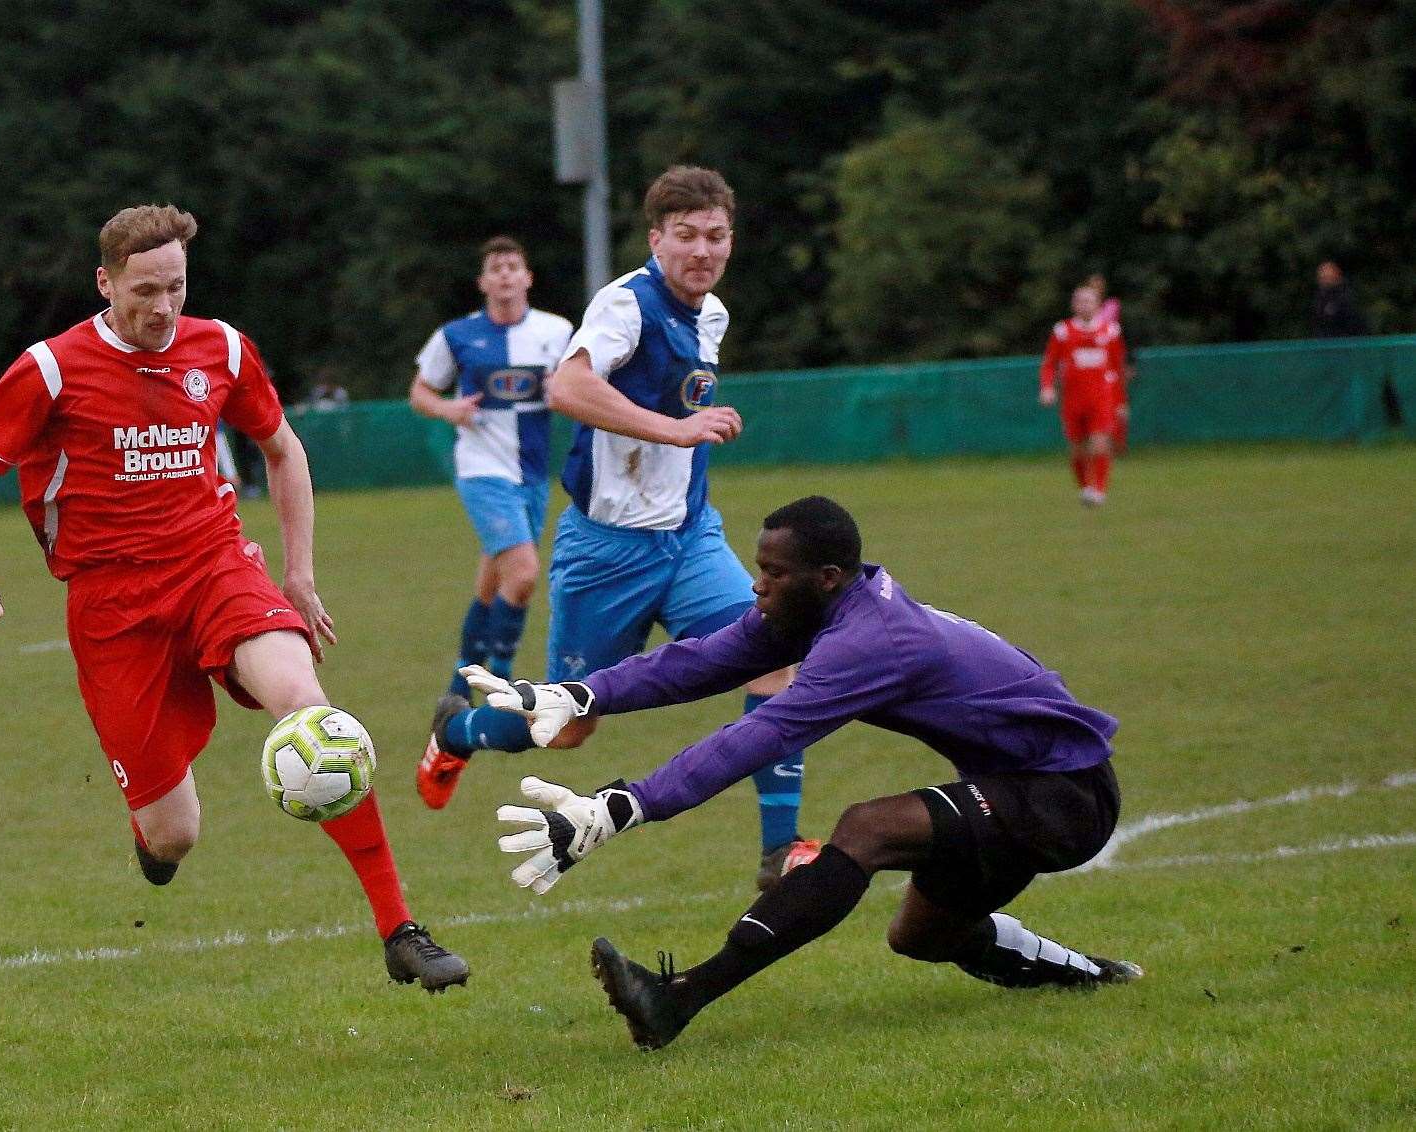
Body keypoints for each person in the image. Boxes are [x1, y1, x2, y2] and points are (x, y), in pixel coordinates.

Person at [0, 204, 467, 993]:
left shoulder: (220, 347)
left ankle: (399, 927)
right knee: (175, 833)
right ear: (105, 281)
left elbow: (282, 449)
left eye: (175, 287)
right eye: (143, 290)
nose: (161, 307)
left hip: (214, 565)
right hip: (113, 605)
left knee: (311, 710)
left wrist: (299, 573)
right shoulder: (50, 367)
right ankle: (150, 841)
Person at [469, 495, 1139, 1051]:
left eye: (773, 572)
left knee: (868, 828)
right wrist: (583, 694)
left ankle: (677, 999)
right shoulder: (817, 607)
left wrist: (623, 805)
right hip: (1015, 787)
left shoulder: (869, 641)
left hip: (1064, 796)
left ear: (825, 576)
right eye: (758, 567)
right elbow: (698, 662)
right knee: (920, 937)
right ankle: (1082, 974)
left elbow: (764, 733)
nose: (757, 584)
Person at [414, 168, 813, 889]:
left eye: (715, 236)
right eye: (685, 235)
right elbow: (566, 388)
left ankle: (778, 853)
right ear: (656, 238)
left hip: (689, 539)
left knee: (774, 654)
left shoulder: (712, 315)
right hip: (606, 552)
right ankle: (459, 730)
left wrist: (678, 443)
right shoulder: (625, 303)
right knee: (566, 729)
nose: (702, 250)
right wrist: (676, 430)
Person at [407, 236, 572, 754]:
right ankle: (498, 680)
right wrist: (448, 410)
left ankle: (458, 690)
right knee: (522, 574)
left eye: (513, 267)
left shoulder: (556, 332)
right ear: (483, 283)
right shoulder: (457, 336)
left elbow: (579, 384)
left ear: (527, 278)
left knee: (491, 583)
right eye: (495, 268)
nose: (504, 275)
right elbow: (420, 391)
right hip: (482, 469)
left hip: (532, 472)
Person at [1039, 285, 1127, 506]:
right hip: (1073, 399)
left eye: (1088, 301)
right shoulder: (1063, 331)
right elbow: (1049, 363)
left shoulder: (1111, 331)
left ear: (1098, 304)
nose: (1083, 305)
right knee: (1077, 448)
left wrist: (1121, 401)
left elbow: (1117, 368)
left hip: (1101, 397)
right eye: (1079, 301)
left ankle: (1099, 490)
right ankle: (1085, 487)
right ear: (1073, 304)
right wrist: (1047, 387)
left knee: (1100, 443)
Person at [1083, 274, 1133, 454]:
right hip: (1092, 370)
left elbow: (1121, 339)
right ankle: (1096, 444)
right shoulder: (1083, 314)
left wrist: (1127, 364)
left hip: (1112, 366)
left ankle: (1118, 445)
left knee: (1119, 408)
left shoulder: (1112, 307)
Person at [1312, 261, 1370, 338]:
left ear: (1337, 276)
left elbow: (1353, 321)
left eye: (1328, 277)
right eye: (1323, 278)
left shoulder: (1347, 296)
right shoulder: (1319, 298)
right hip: (1325, 343)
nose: (1325, 281)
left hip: (1348, 341)